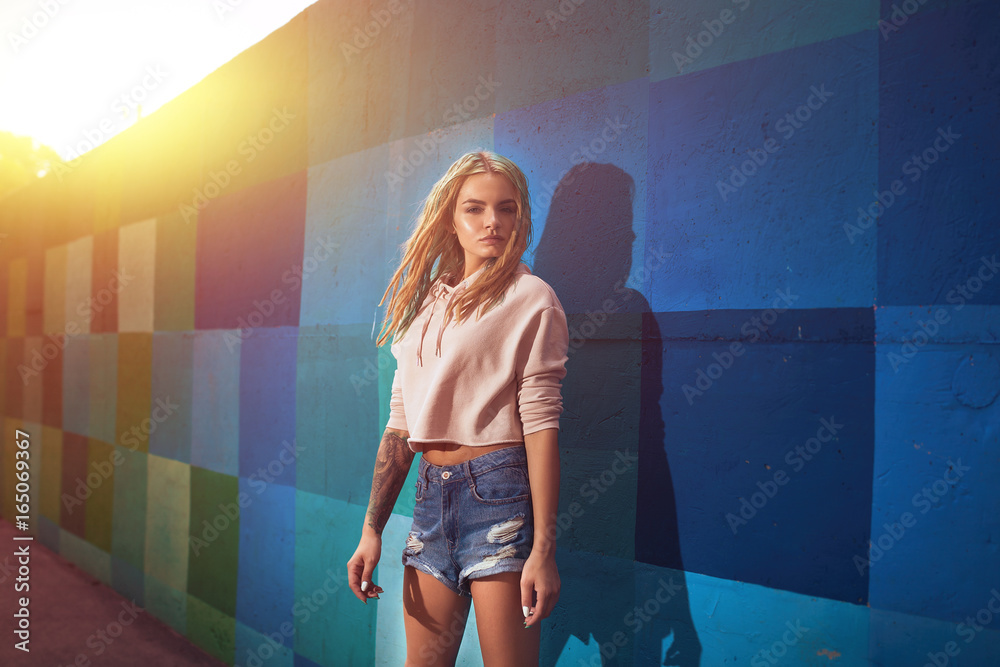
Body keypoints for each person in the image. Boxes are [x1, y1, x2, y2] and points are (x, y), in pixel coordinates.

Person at [347, 150, 570, 666]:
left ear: (520, 217)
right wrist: (372, 529)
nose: (492, 221)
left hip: (499, 497)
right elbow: (400, 424)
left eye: (506, 208)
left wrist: (544, 549)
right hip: (430, 499)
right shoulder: (426, 306)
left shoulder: (532, 298)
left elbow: (541, 426)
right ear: (451, 217)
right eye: (475, 208)